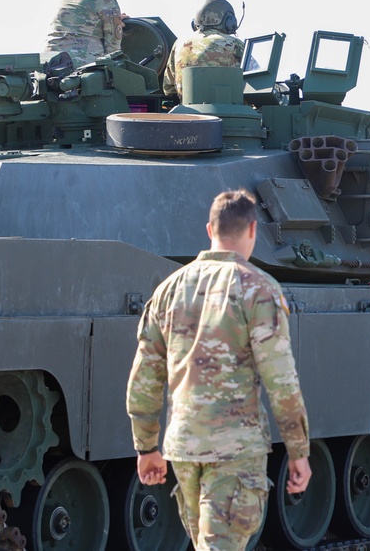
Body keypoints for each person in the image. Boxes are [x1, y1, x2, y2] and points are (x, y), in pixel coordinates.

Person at [126, 189, 311, 550]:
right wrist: (299, 451)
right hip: (235, 450)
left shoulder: (169, 289)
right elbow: (281, 381)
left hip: (184, 447)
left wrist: (146, 446)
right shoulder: (259, 290)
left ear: (209, 229)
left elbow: (146, 376)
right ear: (253, 230)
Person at [163, 0, 246, 99]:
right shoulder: (236, 44)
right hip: (229, 112)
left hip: (187, 112)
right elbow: (254, 84)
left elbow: (168, 88)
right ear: (229, 21)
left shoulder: (179, 44)